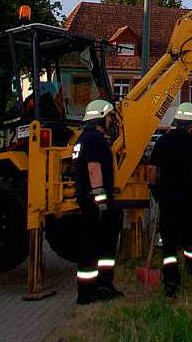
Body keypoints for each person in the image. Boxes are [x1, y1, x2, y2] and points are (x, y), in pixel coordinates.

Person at [148, 103, 192, 297]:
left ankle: (171, 283)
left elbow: (152, 170)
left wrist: (154, 188)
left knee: (169, 243)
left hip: (167, 199)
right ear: (191, 123)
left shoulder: (162, 142)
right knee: (191, 237)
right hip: (189, 199)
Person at [72, 98, 123, 305]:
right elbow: (94, 168)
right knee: (102, 247)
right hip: (96, 205)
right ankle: (96, 289)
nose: (112, 121)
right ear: (102, 118)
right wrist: (102, 201)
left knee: (90, 249)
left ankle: (94, 289)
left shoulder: (82, 139)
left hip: (86, 202)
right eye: (110, 116)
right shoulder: (96, 140)